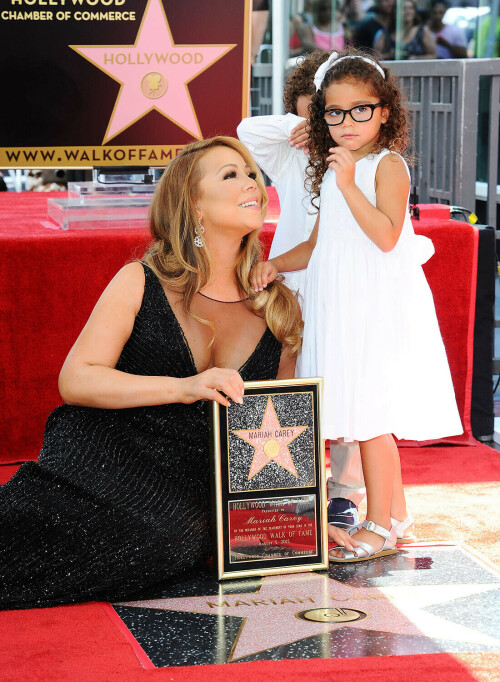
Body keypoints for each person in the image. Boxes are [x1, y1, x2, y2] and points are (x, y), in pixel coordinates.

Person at [0, 137, 303, 610]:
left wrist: (297, 522)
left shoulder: (279, 306)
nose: (253, 183)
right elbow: (76, 379)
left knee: (171, 537)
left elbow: (280, 428)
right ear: (193, 204)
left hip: (192, 482)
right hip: (106, 455)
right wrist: (184, 388)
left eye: (251, 173)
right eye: (231, 174)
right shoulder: (139, 280)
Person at [250, 48, 463, 562]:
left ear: (384, 111)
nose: (348, 122)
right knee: (357, 414)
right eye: (334, 112)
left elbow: (386, 236)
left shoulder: (386, 166)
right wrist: (276, 264)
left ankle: (380, 523)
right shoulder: (330, 168)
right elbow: (321, 243)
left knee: (371, 419)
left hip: (373, 306)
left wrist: (347, 183)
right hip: (338, 305)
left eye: (360, 110)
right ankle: (396, 516)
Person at [237, 51, 365, 533]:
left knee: (348, 381)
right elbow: (248, 129)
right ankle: (290, 486)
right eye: (315, 113)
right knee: (288, 379)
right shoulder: (290, 156)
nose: (324, 126)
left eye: (331, 113)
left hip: (347, 285)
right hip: (292, 284)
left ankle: (347, 491)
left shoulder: (361, 165)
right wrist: (302, 123)